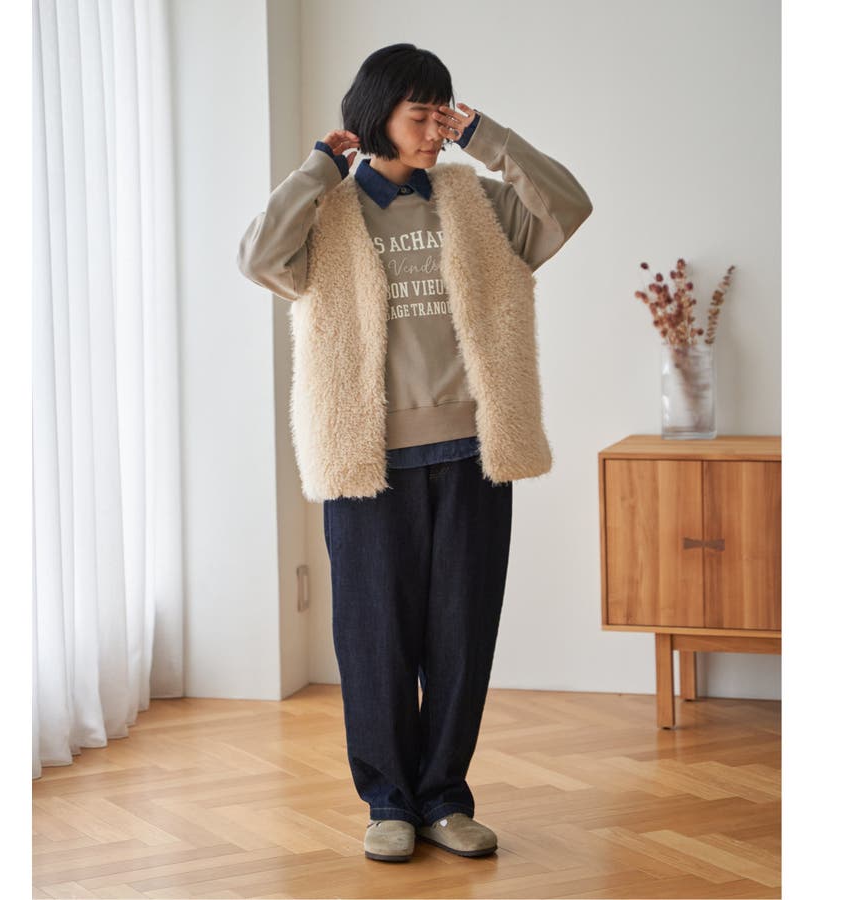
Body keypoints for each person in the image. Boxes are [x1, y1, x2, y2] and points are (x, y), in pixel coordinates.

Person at [237, 43, 593, 863]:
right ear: (377, 117)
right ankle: (389, 803)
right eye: (420, 115)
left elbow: (569, 205)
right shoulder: (327, 215)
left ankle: (444, 799)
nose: (437, 130)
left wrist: (489, 138)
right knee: (375, 641)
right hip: (367, 461)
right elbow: (256, 258)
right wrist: (318, 168)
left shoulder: (477, 204)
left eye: (444, 113)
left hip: (474, 452)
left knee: (462, 638)